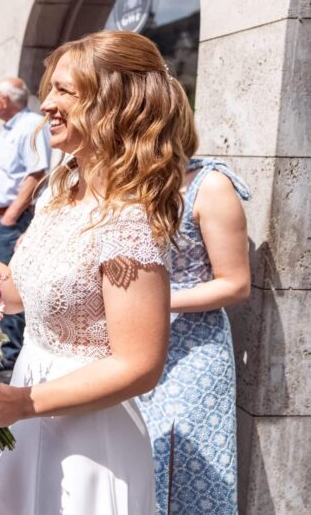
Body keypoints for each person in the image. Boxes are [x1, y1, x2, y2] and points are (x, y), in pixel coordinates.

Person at [0, 30, 192, 514]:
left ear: (114, 103)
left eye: (65, 91)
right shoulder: (62, 191)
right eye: (49, 91)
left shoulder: (127, 219)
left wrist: (24, 403)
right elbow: (17, 293)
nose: (47, 106)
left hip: (88, 439)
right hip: (27, 408)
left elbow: (140, 365)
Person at [138, 154, 250, 513]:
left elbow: (236, 284)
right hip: (132, 340)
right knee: (137, 461)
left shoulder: (210, 184)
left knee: (187, 467)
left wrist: (153, 301)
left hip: (194, 348)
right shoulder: (122, 177)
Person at [0, 77, 51, 374]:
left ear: (6, 100)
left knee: (11, 289)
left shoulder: (30, 124)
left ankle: (13, 353)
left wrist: (9, 217)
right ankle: (6, 347)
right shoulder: (8, 127)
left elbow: (36, 173)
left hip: (9, 220)